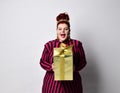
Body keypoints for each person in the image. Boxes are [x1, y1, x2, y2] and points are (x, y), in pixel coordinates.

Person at [40, 12, 87, 93]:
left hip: (72, 85)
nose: (63, 31)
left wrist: (75, 67)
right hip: (52, 85)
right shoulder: (49, 45)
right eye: (60, 29)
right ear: (57, 30)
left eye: (65, 29)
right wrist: (51, 66)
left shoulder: (77, 44)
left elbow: (83, 62)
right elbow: (42, 62)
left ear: (69, 30)